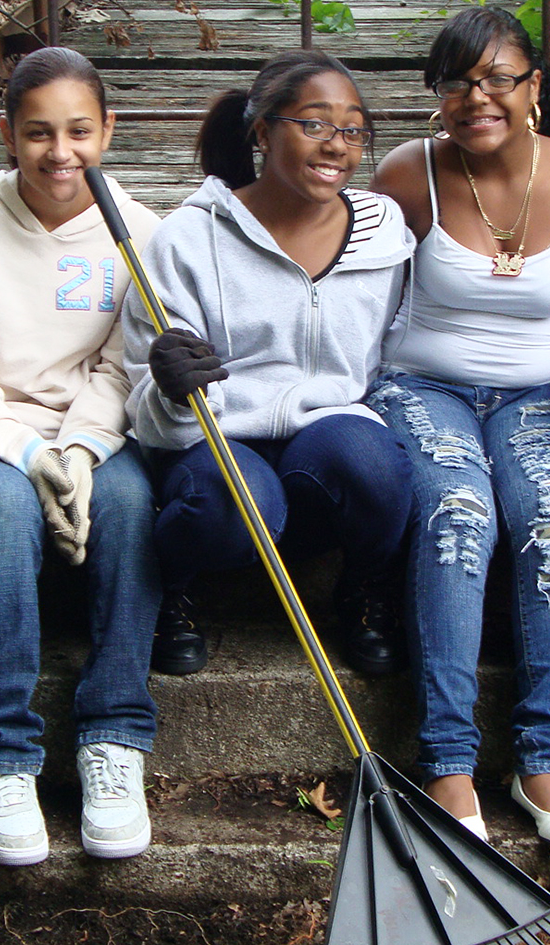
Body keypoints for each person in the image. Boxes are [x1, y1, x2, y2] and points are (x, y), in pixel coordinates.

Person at [367, 7, 550, 849]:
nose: (476, 97)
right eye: (456, 81)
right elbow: (355, 299)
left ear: (534, 88)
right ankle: (449, 761)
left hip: (537, 396)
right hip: (422, 386)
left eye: (498, 78)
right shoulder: (408, 175)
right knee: (460, 512)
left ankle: (544, 756)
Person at [0, 48, 161, 867]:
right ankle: (1, 752)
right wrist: (28, 454)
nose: (62, 154)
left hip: (89, 433)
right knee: (6, 503)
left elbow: (123, 366)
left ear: (108, 131)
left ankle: (115, 734)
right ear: (5, 135)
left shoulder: (137, 229)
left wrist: (82, 453)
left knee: (128, 503)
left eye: (80, 131)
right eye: (39, 133)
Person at [121, 51, 415, 680]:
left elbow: (399, 345)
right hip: (215, 441)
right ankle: (173, 587)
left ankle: (363, 591)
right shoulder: (187, 239)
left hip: (325, 441)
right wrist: (171, 387)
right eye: (313, 124)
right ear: (261, 130)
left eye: (353, 129)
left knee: (377, 467)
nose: (336, 145)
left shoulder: (384, 233)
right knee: (236, 501)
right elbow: (147, 406)